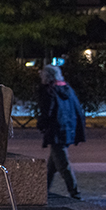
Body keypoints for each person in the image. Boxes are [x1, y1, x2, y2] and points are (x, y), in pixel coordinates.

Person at [37, 65, 86, 201]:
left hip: (56, 132)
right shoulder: (67, 89)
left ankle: (75, 193)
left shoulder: (50, 91)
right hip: (67, 129)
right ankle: (43, 191)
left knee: (63, 165)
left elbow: (48, 111)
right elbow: (76, 109)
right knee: (52, 165)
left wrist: (41, 124)